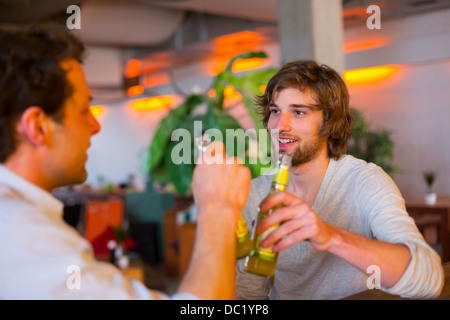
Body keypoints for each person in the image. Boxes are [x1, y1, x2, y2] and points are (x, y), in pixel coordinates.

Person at [0, 24, 251, 299]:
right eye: (84, 111)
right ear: (38, 127)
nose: (95, 126)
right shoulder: (24, 236)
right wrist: (218, 208)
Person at [236, 60, 444, 300]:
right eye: (275, 111)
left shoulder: (365, 181)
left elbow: (429, 278)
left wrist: (329, 236)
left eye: (298, 112)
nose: (280, 126)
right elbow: (250, 296)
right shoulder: (255, 193)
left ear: (329, 122)